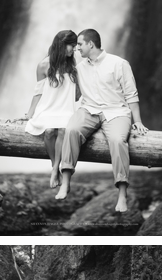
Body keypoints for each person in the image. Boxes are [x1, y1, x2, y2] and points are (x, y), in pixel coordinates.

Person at [56, 29, 149, 212]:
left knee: (117, 140)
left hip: (116, 112)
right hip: (89, 109)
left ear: (91, 44)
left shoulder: (119, 64)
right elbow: (70, 93)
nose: (77, 49)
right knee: (72, 129)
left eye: (80, 44)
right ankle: (65, 182)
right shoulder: (79, 68)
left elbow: (131, 95)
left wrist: (137, 121)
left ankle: (122, 193)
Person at [20, 30, 81, 190]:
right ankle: (55, 166)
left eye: (75, 46)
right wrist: (30, 113)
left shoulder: (71, 65)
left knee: (62, 130)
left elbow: (75, 93)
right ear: (61, 45)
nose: (73, 50)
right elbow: (38, 92)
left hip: (65, 109)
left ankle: (55, 170)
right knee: (48, 131)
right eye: (71, 46)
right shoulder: (43, 65)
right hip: (47, 108)